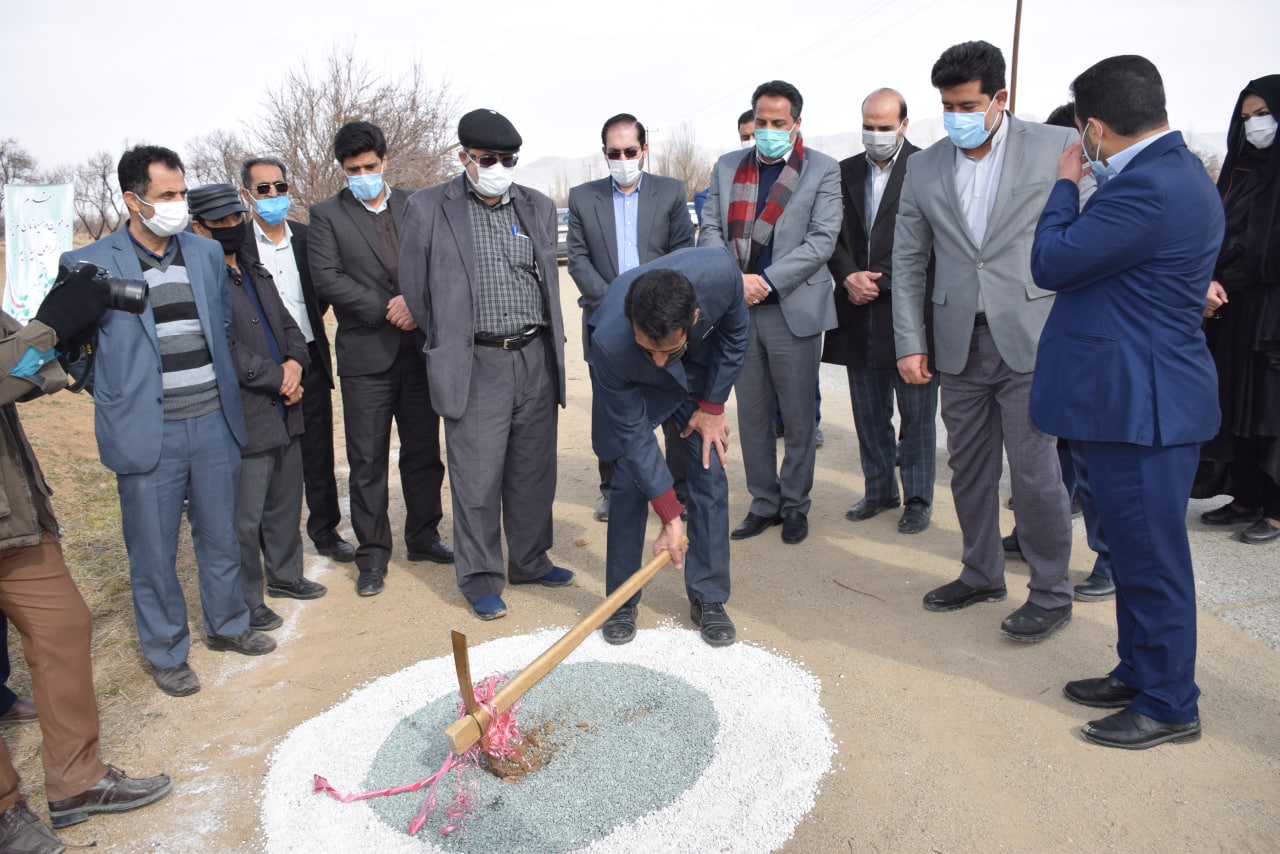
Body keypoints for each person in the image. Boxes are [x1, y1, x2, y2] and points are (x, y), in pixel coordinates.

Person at [1031, 55, 1224, 748]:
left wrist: (1064, 187)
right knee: (1138, 553)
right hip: (1132, 402)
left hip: (1144, 408)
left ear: (1094, 127)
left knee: (1153, 560)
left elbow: (1051, 261)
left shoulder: (1148, 187)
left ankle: (1171, 703)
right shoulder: (1174, 174)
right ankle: (1140, 671)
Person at [62, 145, 274, 697]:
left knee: (221, 536)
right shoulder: (89, 263)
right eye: (167, 196)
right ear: (133, 200)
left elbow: (221, 329)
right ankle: (166, 650)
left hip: (211, 422)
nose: (179, 204)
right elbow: (67, 346)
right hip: (145, 433)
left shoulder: (204, 255)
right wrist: (109, 391)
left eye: (181, 193)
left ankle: (228, 625)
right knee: (153, 550)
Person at [891, 41, 1082, 641]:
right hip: (957, 342)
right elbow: (907, 261)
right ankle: (981, 573)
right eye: (947, 105)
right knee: (968, 469)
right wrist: (908, 339)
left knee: (1034, 474)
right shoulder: (923, 167)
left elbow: (1091, 236)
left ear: (1001, 98)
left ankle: (1052, 591)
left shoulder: (1055, 149)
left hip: (1032, 338)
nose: (956, 116)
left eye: (968, 104)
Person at [0, 273, 174, 851]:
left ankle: (76, 780)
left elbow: (26, 377)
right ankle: (4, 811)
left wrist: (61, 333)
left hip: (14, 515)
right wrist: (50, 327)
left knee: (64, 628)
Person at [399, 108, 572, 620]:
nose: (499, 167)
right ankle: (480, 577)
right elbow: (416, 289)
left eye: (509, 158)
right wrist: (454, 339)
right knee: (476, 477)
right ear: (465, 158)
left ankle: (530, 559)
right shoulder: (430, 207)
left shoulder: (536, 206)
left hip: (534, 356)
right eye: (488, 158)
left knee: (533, 470)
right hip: (475, 361)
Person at [309, 121, 453, 598]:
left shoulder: (418, 203)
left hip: (418, 352)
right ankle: (372, 555)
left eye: (370, 166)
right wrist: (386, 308)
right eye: (354, 169)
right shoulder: (327, 215)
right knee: (367, 459)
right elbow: (327, 278)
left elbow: (443, 262)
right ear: (343, 170)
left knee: (423, 451)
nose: (363, 174)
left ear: (385, 161)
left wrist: (416, 303)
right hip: (365, 357)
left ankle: (423, 535)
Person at [700, 80, 842, 546]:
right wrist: (734, 278)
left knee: (799, 417)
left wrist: (767, 280)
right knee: (753, 416)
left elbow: (822, 240)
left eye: (778, 123)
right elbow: (711, 229)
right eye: (761, 122)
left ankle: (795, 504)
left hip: (791, 310)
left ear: (796, 124)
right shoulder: (726, 168)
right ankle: (763, 502)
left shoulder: (822, 170)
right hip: (738, 311)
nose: (768, 131)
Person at [588, 247, 749, 647]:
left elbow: (735, 336)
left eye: (667, 349)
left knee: (709, 469)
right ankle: (622, 600)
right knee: (628, 477)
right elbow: (634, 436)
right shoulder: (609, 342)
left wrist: (712, 405)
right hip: (635, 383)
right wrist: (671, 515)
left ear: (694, 318)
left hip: (699, 373)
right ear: (631, 325)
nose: (660, 361)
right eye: (650, 348)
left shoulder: (722, 277)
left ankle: (709, 597)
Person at [188, 183, 327, 633]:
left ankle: (285, 576)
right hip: (247, 412)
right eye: (220, 223)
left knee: (287, 500)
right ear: (198, 228)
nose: (231, 228)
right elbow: (221, 347)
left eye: (235, 219)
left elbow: (290, 325)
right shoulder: (200, 283)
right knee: (244, 517)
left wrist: (294, 364)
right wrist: (276, 377)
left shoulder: (255, 270)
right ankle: (247, 601)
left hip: (287, 405)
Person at [568, 112, 696, 523]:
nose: (621, 158)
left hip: (661, 322)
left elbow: (682, 254)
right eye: (613, 152)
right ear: (604, 153)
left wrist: (649, 310)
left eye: (629, 151)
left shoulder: (671, 192)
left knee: (673, 407)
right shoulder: (583, 198)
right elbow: (579, 259)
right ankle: (614, 489)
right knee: (611, 414)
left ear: (644, 150)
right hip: (606, 323)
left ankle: (677, 489)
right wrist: (617, 307)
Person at [822, 87, 938, 535]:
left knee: (917, 415)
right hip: (856, 311)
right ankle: (879, 491)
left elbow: (935, 240)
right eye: (868, 125)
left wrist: (881, 279)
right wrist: (848, 274)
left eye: (884, 127)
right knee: (868, 412)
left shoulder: (926, 168)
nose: (875, 134)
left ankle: (919, 499)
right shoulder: (843, 172)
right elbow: (828, 231)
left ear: (904, 125)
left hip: (909, 315)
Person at [238, 156, 355, 564]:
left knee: (318, 454)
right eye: (263, 189)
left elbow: (321, 293)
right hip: (262, 372)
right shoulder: (237, 245)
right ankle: (273, 546)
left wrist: (298, 353)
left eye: (279, 187)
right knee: (271, 460)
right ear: (247, 195)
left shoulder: (308, 238)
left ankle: (326, 532)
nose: (273, 195)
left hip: (309, 360)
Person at [1200, 75, 1280, 545]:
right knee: (1235, 403)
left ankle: (1276, 507)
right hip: (1231, 306)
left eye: (1264, 115)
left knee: (1271, 407)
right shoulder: (1237, 170)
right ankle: (1246, 494)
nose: (1255, 126)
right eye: (1247, 118)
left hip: (1272, 310)